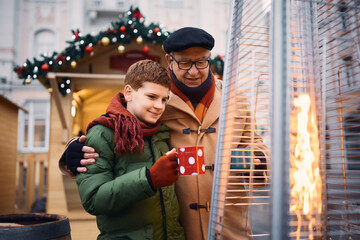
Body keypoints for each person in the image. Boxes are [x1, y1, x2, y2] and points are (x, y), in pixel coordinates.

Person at [60, 27, 268, 239]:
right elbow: (117, 120)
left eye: (201, 62)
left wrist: (257, 159)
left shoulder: (236, 99)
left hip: (231, 228)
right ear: (169, 60)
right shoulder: (156, 103)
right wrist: (73, 149)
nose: (194, 71)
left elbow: (257, 145)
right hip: (182, 230)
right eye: (185, 63)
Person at [71, 60, 185, 240]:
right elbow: (93, 200)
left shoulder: (160, 131)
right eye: (151, 97)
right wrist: (149, 179)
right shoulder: (102, 132)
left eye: (164, 99)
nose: (159, 106)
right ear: (129, 92)